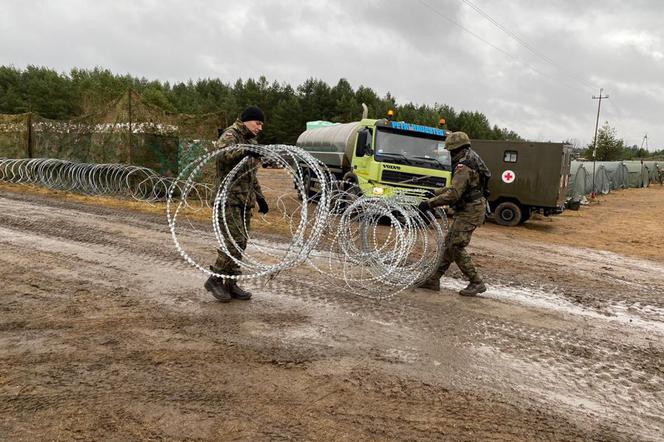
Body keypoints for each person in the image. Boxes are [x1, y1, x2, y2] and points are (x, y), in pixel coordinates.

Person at [205, 106, 269, 302]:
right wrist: (245, 150)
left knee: (240, 243)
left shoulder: (251, 141)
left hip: (244, 200)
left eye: (262, 125)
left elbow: (250, 174)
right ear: (247, 120)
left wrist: (260, 197)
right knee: (232, 242)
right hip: (228, 199)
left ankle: (231, 283)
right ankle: (215, 279)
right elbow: (222, 155)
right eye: (257, 123)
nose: (260, 128)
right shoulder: (231, 135)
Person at [417, 131, 491, 296]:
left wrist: (430, 203)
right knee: (449, 244)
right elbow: (456, 189)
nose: (450, 154)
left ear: (456, 149)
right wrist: (434, 192)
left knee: (456, 246)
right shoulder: (471, 158)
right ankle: (433, 279)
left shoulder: (463, 166)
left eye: (450, 151)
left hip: (470, 211)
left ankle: (476, 282)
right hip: (470, 208)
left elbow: (454, 194)